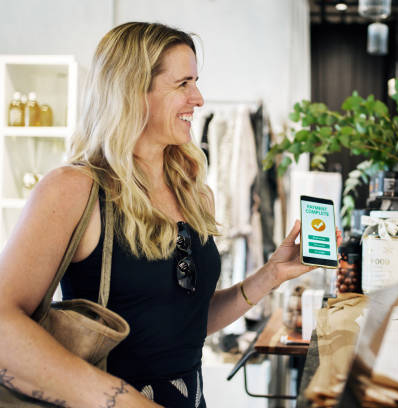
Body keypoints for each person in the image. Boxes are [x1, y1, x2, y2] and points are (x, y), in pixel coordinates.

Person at [0, 22, 339, 407]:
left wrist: (270, 275)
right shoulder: (75, 189)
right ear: (131, 93)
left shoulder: (195, 194)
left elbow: (184, 323)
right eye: (183, 84)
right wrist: (124, 400)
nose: (199, 98)